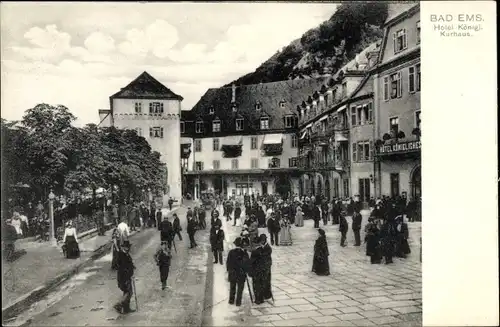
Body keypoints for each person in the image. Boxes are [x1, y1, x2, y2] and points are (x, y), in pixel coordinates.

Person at [226, 237, 250, 307]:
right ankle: (238, 302)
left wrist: (230, 271)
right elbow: (247, 264)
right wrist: (246, 271)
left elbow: (228, 263)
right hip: (241, 274)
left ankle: (231, 301)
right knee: (240, 289)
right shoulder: (244, 253)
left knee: (232, 288)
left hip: (233, 274)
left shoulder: (231, 252)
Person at [250, 234, 273, 305]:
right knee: (258, 284)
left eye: (262, 241)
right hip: (257, 269)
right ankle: (259, 298)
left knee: (262, 284)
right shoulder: (258, 248)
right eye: (261, 241)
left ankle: (261, 297)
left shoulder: (267, 248)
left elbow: (267, 259)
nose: (261, 242)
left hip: (263, 269)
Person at [114, 241, 135, 314]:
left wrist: (132, 267)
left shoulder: (126, 254)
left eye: (128, 247)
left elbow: (129, 264)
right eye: (126, 247)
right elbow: (121, 267)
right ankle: (119, 304)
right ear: (123, 247)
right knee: (129, 292)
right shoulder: (121, 255)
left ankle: (126, 309)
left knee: (126, 292)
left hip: (127, 277)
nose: (128, 248)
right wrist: (127, 272)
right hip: (124, 278)